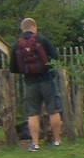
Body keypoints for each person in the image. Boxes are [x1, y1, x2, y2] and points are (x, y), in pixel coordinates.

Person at [10, 17, 63, 150]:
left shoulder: (17, 44)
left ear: (22, 29)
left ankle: (35, 144)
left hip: (30, 83)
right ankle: (57, 141)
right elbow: (56, 58)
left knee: (33, 113)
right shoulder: (42, 40)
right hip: (47, 80)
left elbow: (13, 68)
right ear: (34, 27)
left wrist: (28, 71)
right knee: (53, 110)